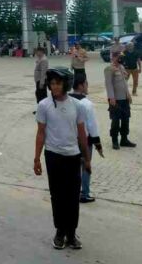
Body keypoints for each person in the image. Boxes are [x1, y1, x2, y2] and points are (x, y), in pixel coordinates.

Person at [34, 68, 91, 250]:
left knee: (72, 197)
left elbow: (82, 134)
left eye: (58, 83)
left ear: (65, 84)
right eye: (52, 83)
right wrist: (36, 158)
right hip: (53, 156)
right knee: (57, 196)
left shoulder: (77, 105)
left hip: (73, 157)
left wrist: (87, 159)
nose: (54, 86)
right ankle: (60, 232)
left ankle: (72, 234)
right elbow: (41, 133)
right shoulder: (44, 105)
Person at [69, 74, 104, 203]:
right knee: (86, 167)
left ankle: (72, 191)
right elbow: (92, 126)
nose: (87, 86)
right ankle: (84, 193)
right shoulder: (86, 104)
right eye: (86, 83)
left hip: (70, 140)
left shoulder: (67, 100)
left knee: (72, 168)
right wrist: (98, 144)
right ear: (81, 85)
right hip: (84, 141)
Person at [104, 51, 136, 150]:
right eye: (119, 57)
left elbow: (124, 82)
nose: (120, 59)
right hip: (116, 100)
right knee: (116, 121)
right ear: (113, 57)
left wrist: (128, 95)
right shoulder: (109, 69)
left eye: (121, 57)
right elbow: (108, 84)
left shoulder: (121, 67)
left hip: (124, 99)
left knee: (126, 119)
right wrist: (111, 97)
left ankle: (124, 139)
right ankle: (114, 140)